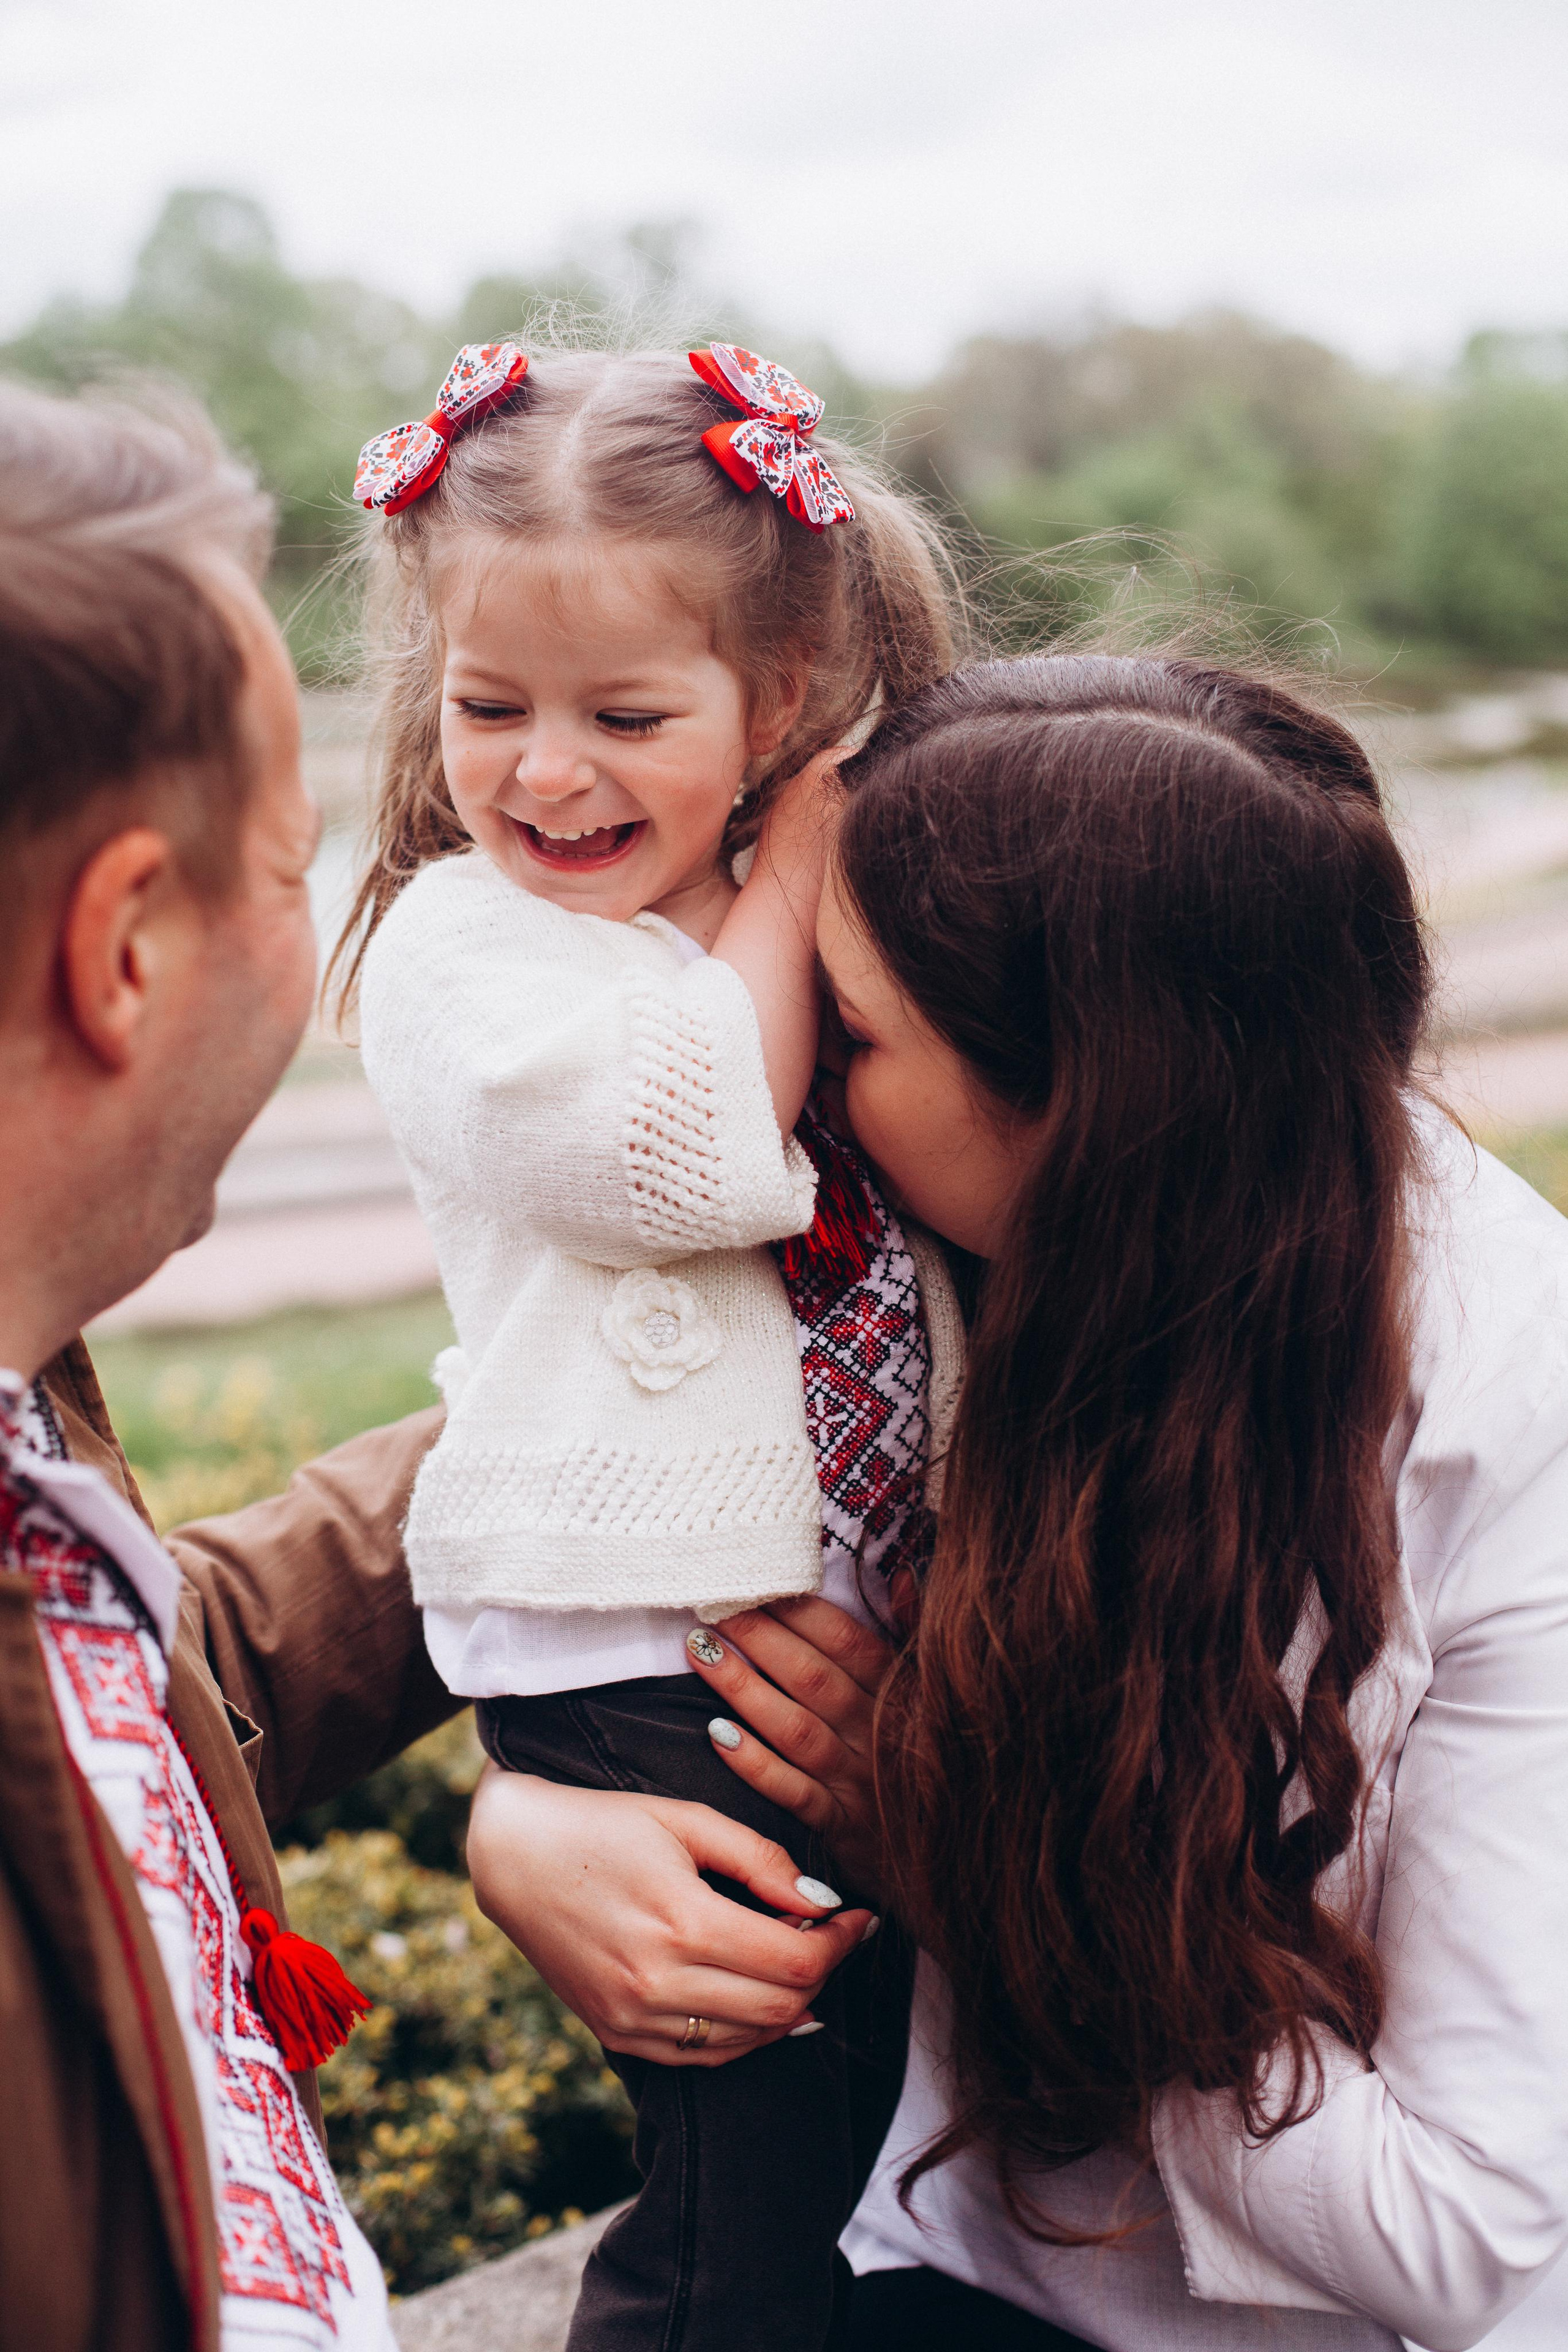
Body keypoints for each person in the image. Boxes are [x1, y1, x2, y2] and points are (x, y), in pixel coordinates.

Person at [469, 654, 1568, 2351]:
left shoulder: (1507, 1427)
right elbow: (542, 1454)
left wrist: (970, 1857)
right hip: (915, 2247)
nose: (797, 1085)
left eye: (847, 1031)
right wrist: (528, 1817)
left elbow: (1465, 2232)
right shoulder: (923, 1245)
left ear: (1077, 1100)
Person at [0, 374, 875, 2352]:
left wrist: (513, 1778)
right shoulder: (505, 964)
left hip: (739, 1648)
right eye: (298, 848)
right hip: (686, 1699)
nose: (508, 788)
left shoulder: (27, 1446)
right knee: (768, 2212)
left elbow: (135, 1678)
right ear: (127, 941)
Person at [337, 335, 968, 2352]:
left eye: (626, 712)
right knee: (751, 2196)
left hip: (813, 1622)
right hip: (629, 1653)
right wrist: (790, 864)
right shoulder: (467, 950)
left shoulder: (798, 904)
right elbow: (682, 1148)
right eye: (487, 705)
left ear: (775, 698)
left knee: (881, 2129)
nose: (540, 770)